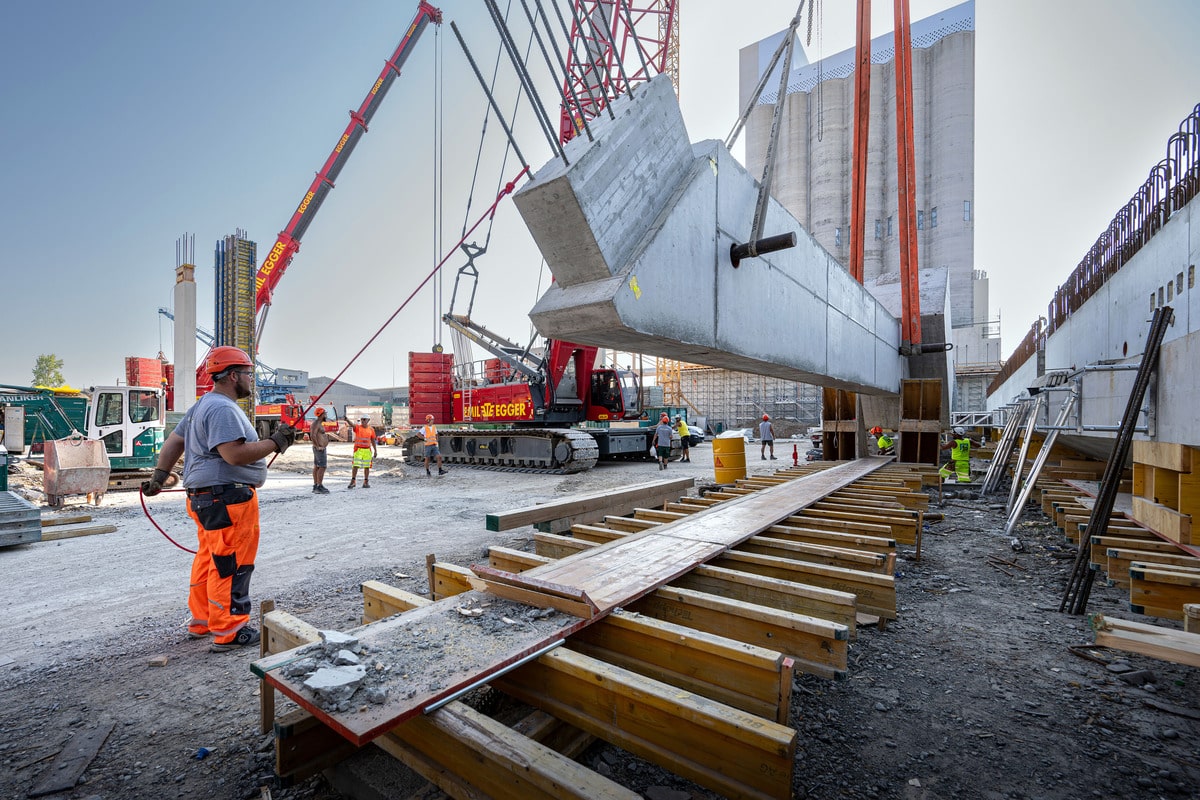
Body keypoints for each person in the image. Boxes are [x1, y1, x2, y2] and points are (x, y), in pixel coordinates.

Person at [141, 346, 295, 653]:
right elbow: (233, 454)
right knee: (231, 563)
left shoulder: (202, 406)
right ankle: (229, 629)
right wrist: (274, 442)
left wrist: (160, 475)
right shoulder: (223, 409)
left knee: (210, 558)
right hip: (229, 497)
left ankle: (203, 620)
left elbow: (175, 440)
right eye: (249, 374)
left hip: (206, 498)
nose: (252, 380)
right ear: (234, 376)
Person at [348, 416, 377, 488]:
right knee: (356, 465)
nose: (362, 421)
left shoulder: (371, 429)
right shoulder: (358, 428)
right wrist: (347, 420)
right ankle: (353, 481)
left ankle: (366, 482)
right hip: (358, 450)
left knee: (366, 466)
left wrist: (375, 450)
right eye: (361, 419)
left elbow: (373, 440)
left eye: (364, 419)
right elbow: (352, 425)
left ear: (368, 420)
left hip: (367, 450)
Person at [310, 407, 330, 494]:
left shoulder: (318, 423)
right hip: (319, 449)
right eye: (325, 413)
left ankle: (316, 485)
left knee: (317, 466)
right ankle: (319, 486)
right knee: (322, 466)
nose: (326, 415)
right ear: (321, 414)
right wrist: (318, 446)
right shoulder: (316, 424)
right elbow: (313, 435)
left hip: (320, 448)